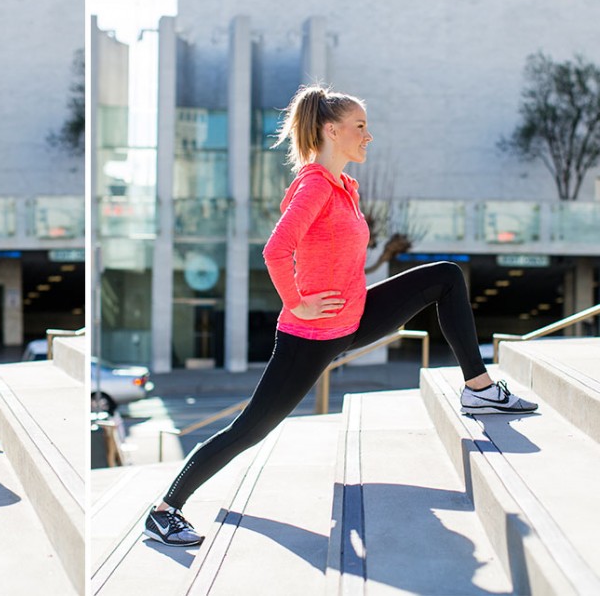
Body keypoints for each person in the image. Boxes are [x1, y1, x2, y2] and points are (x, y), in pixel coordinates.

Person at [142, 85, 537, 547]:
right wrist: (298, 302)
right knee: (251, 428)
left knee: (446, 276)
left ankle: (480, 390)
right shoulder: (313, 186)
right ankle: (164, 511)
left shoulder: (344, 186)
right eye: (360, 127)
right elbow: (275, 250)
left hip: (355, 316)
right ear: (332, 130)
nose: (368, 136)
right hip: (311, 334)